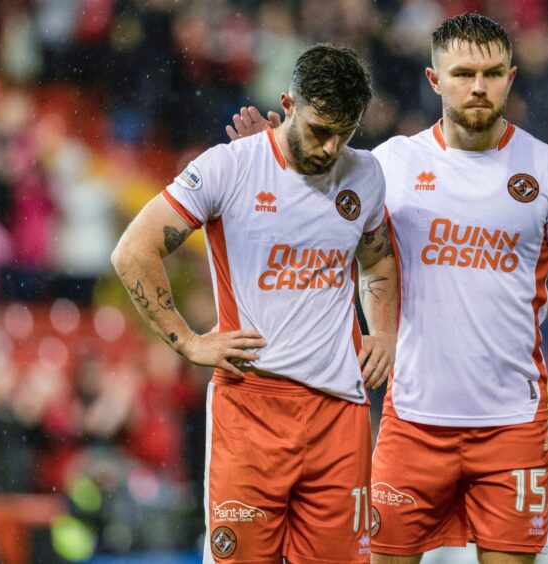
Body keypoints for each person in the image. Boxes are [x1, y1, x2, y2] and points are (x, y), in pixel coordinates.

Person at [227, 13, 548, 564]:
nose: (479, 86)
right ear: (434, 80)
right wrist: (278, 167)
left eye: (493, 72)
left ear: (512, 77)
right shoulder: (390, 165)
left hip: (514, 426)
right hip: (413, 421)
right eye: (464, 72)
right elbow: (312, 224)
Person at [112, 45, 398, 563]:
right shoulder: (230, 167)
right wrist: (188, 341)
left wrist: (382, 332)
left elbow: (376, 262)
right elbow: (134, 250)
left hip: (340, 415)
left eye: (346, 132)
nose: (332, 148)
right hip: (250, 407)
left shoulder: (366, 175)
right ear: (289, 102)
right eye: (319, 129)